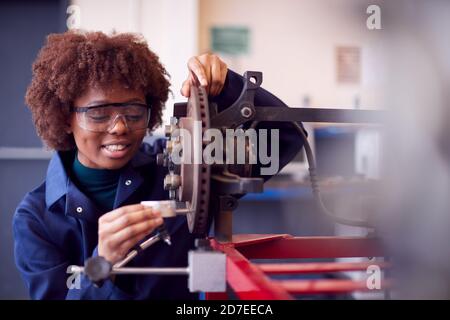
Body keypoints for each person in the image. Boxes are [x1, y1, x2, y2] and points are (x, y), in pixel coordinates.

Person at [13, 30, 304, 299]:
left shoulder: (181, 163)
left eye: (134, 111)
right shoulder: (35, 218)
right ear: (65, 118)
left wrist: (227, 86)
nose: (120, 127)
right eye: (99, 113)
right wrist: (101, 265)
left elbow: (286, 137)